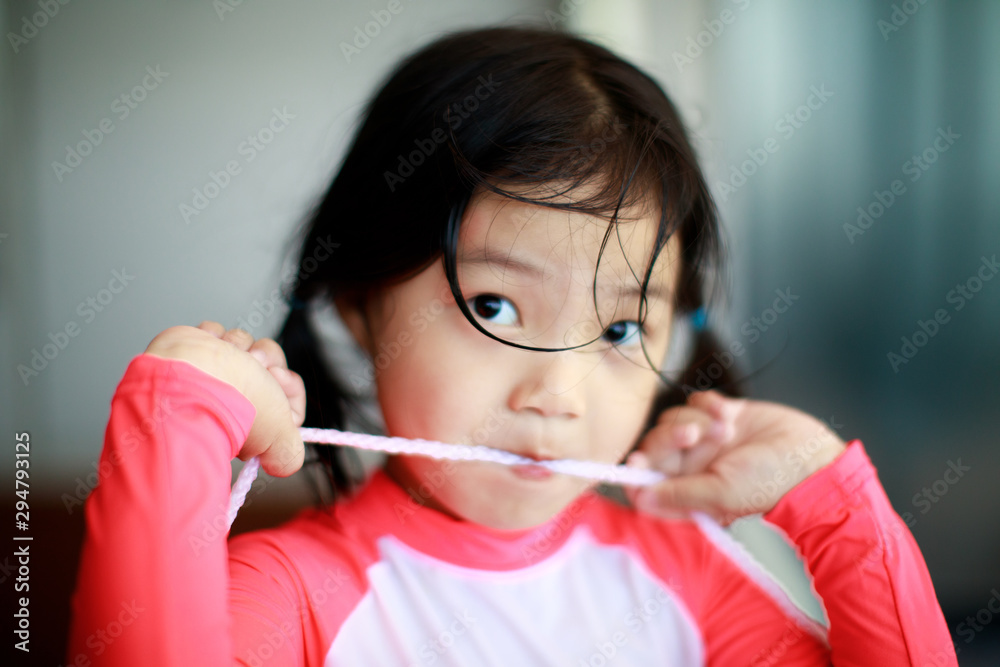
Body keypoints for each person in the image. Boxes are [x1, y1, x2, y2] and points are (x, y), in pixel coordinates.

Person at [68, 26, 957, 666]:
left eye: (620, 329)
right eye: (494, 305)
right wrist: (174, 421)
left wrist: (833, 505)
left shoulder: (690, 581)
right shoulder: (296, 593)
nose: (557, 396)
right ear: (359, 304)